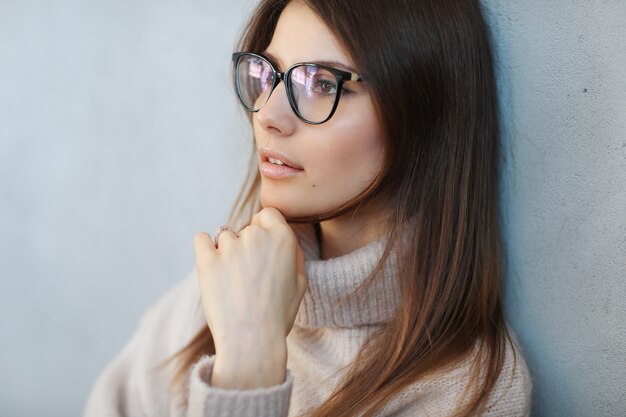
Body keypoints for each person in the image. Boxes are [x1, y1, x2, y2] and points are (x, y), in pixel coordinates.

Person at [83, 0, 533, 415]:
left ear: (422, 114)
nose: (268, 115)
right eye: (271, 75)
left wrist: (247, 373)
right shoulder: (218, 296)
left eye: (320, 82)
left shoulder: (472, 389)